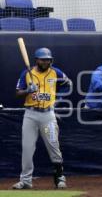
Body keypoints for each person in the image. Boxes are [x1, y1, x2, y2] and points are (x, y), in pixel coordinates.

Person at [13, 48, 71, 189]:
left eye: (48, 59)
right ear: (36, 60)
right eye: (43, 59)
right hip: (30, 115)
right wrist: (27, 90)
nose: (46, 62)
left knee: (53, 146)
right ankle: (26, 181)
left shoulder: (55, 72)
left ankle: (59, 178)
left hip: (48, 115)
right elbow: (17, 93)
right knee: (27, 148)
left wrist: (56, 97)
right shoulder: (26, 73)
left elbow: (68, 83)